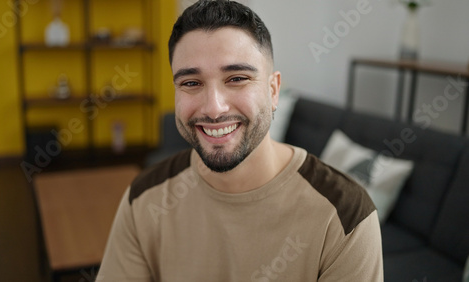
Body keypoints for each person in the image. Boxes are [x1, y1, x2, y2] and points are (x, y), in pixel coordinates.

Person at [97, 0, 383, 281]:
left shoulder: (346, 216)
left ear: (273, 91)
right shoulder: (144, 198)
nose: (213, 108)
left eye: (236, 78)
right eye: (191, 83)